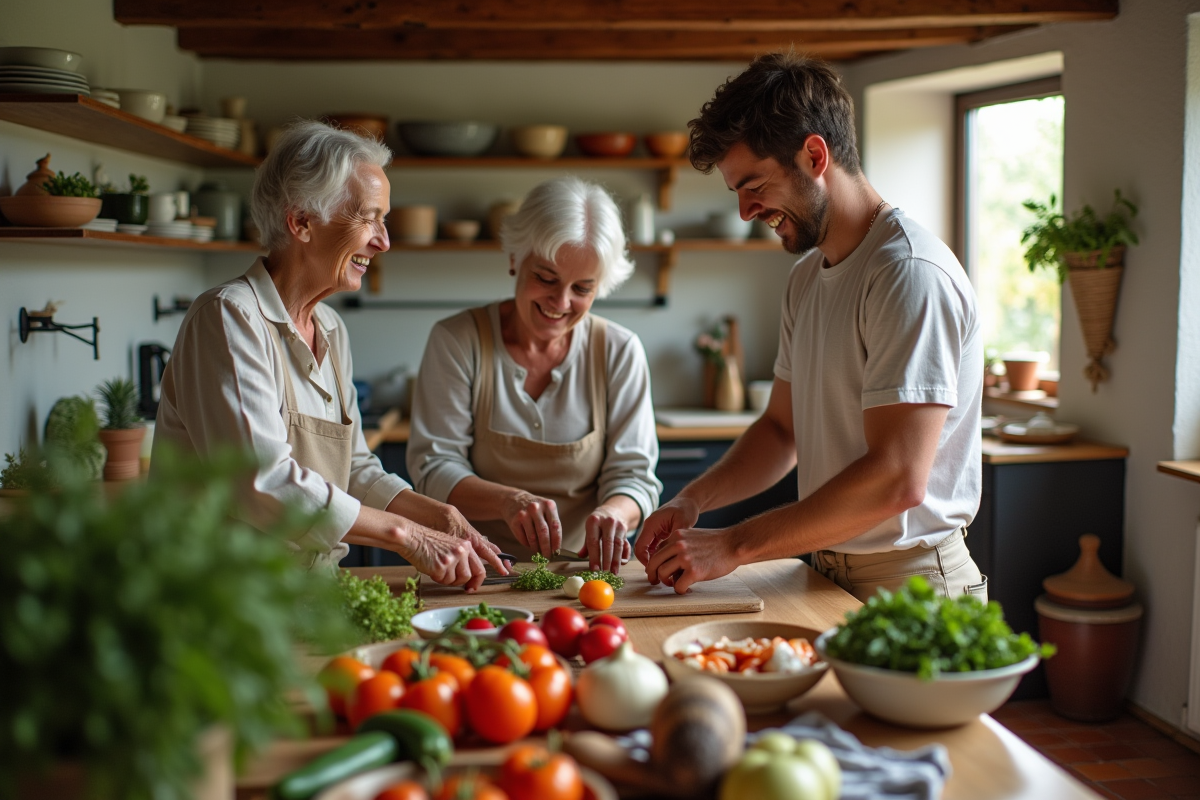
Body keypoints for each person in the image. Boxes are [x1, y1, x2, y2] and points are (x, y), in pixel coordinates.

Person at [634, 52, 987, 602]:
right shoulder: (806, 278)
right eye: (737, 195)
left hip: (913, 580)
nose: (748, 211)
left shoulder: (907, 272)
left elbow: (899, 478)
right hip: (824, 568)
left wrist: (731, 545)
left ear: (815, 155)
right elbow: (780, 431)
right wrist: (693, 501)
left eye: (754, 186)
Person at [153, 120, 507, 589]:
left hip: (309, 593)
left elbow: (355, 468)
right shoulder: (229, 317)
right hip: (224, 599)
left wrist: (442, 517)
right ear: (300, 222)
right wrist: (407, 535)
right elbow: (263, 483)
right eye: (368, 218)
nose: (383, 240)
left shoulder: (331, 328)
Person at [407, 177, 661, 574]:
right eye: (545, 278)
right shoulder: (457, 340)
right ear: (514, 258)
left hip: (583, 573)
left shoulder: (619, 350)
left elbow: (635, 476)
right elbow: (435, 468)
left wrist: (615, 511)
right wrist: (509, 501)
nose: (561, 303)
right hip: (474, 568)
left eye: (582, 287)